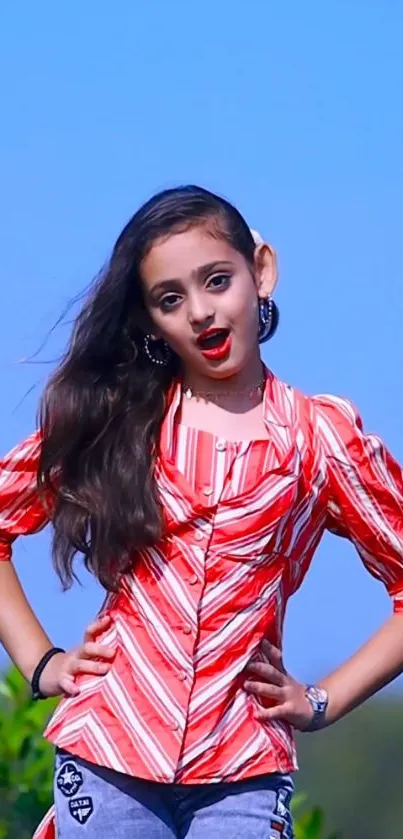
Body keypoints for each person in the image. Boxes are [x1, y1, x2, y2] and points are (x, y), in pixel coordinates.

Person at [1, 185, 403, 839]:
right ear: (150, 319)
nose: (200, 312)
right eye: (170, 298)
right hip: (109, 753)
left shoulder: (320, 438)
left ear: (260, 270)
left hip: (243, 768)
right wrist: (40, 661)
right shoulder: (118, 420)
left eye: (217, 280)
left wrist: (320, 700)